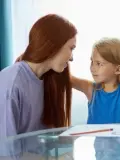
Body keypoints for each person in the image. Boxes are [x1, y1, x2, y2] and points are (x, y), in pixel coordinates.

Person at [0, 14, 76, 156]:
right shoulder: (12, 83)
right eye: (71, 48)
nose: (72, 57)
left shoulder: (47, 80)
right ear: (54, 45)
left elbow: (41, 141)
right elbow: (6, 152)